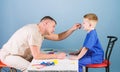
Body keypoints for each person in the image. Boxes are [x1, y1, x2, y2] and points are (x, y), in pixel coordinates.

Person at [0, 16, 81, 72]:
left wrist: (72, 29)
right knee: (31, 69)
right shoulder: (34, 31)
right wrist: (56, 56)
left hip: (21, 55)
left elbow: (58, 37)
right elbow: (37, 56)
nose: (54, 29)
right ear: (45, 23)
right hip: (9, 55)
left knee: (44, 64)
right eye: (53, 26)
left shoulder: (41, 32)